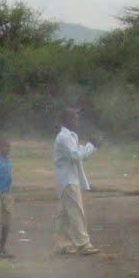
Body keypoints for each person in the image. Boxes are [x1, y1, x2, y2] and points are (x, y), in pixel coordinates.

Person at [51, 108, 100, 256]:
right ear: (67, 120)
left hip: (67, 179)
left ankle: (62, 244)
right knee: (76, 211)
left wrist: (92, 146)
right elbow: (76, 155)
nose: (77, 121)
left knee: (64, 214)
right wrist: (92, 145)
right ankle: (83, 244)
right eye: (74, 118)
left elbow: (78, 152)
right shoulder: (64, 137)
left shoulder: (70, 136)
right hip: (68, 180)